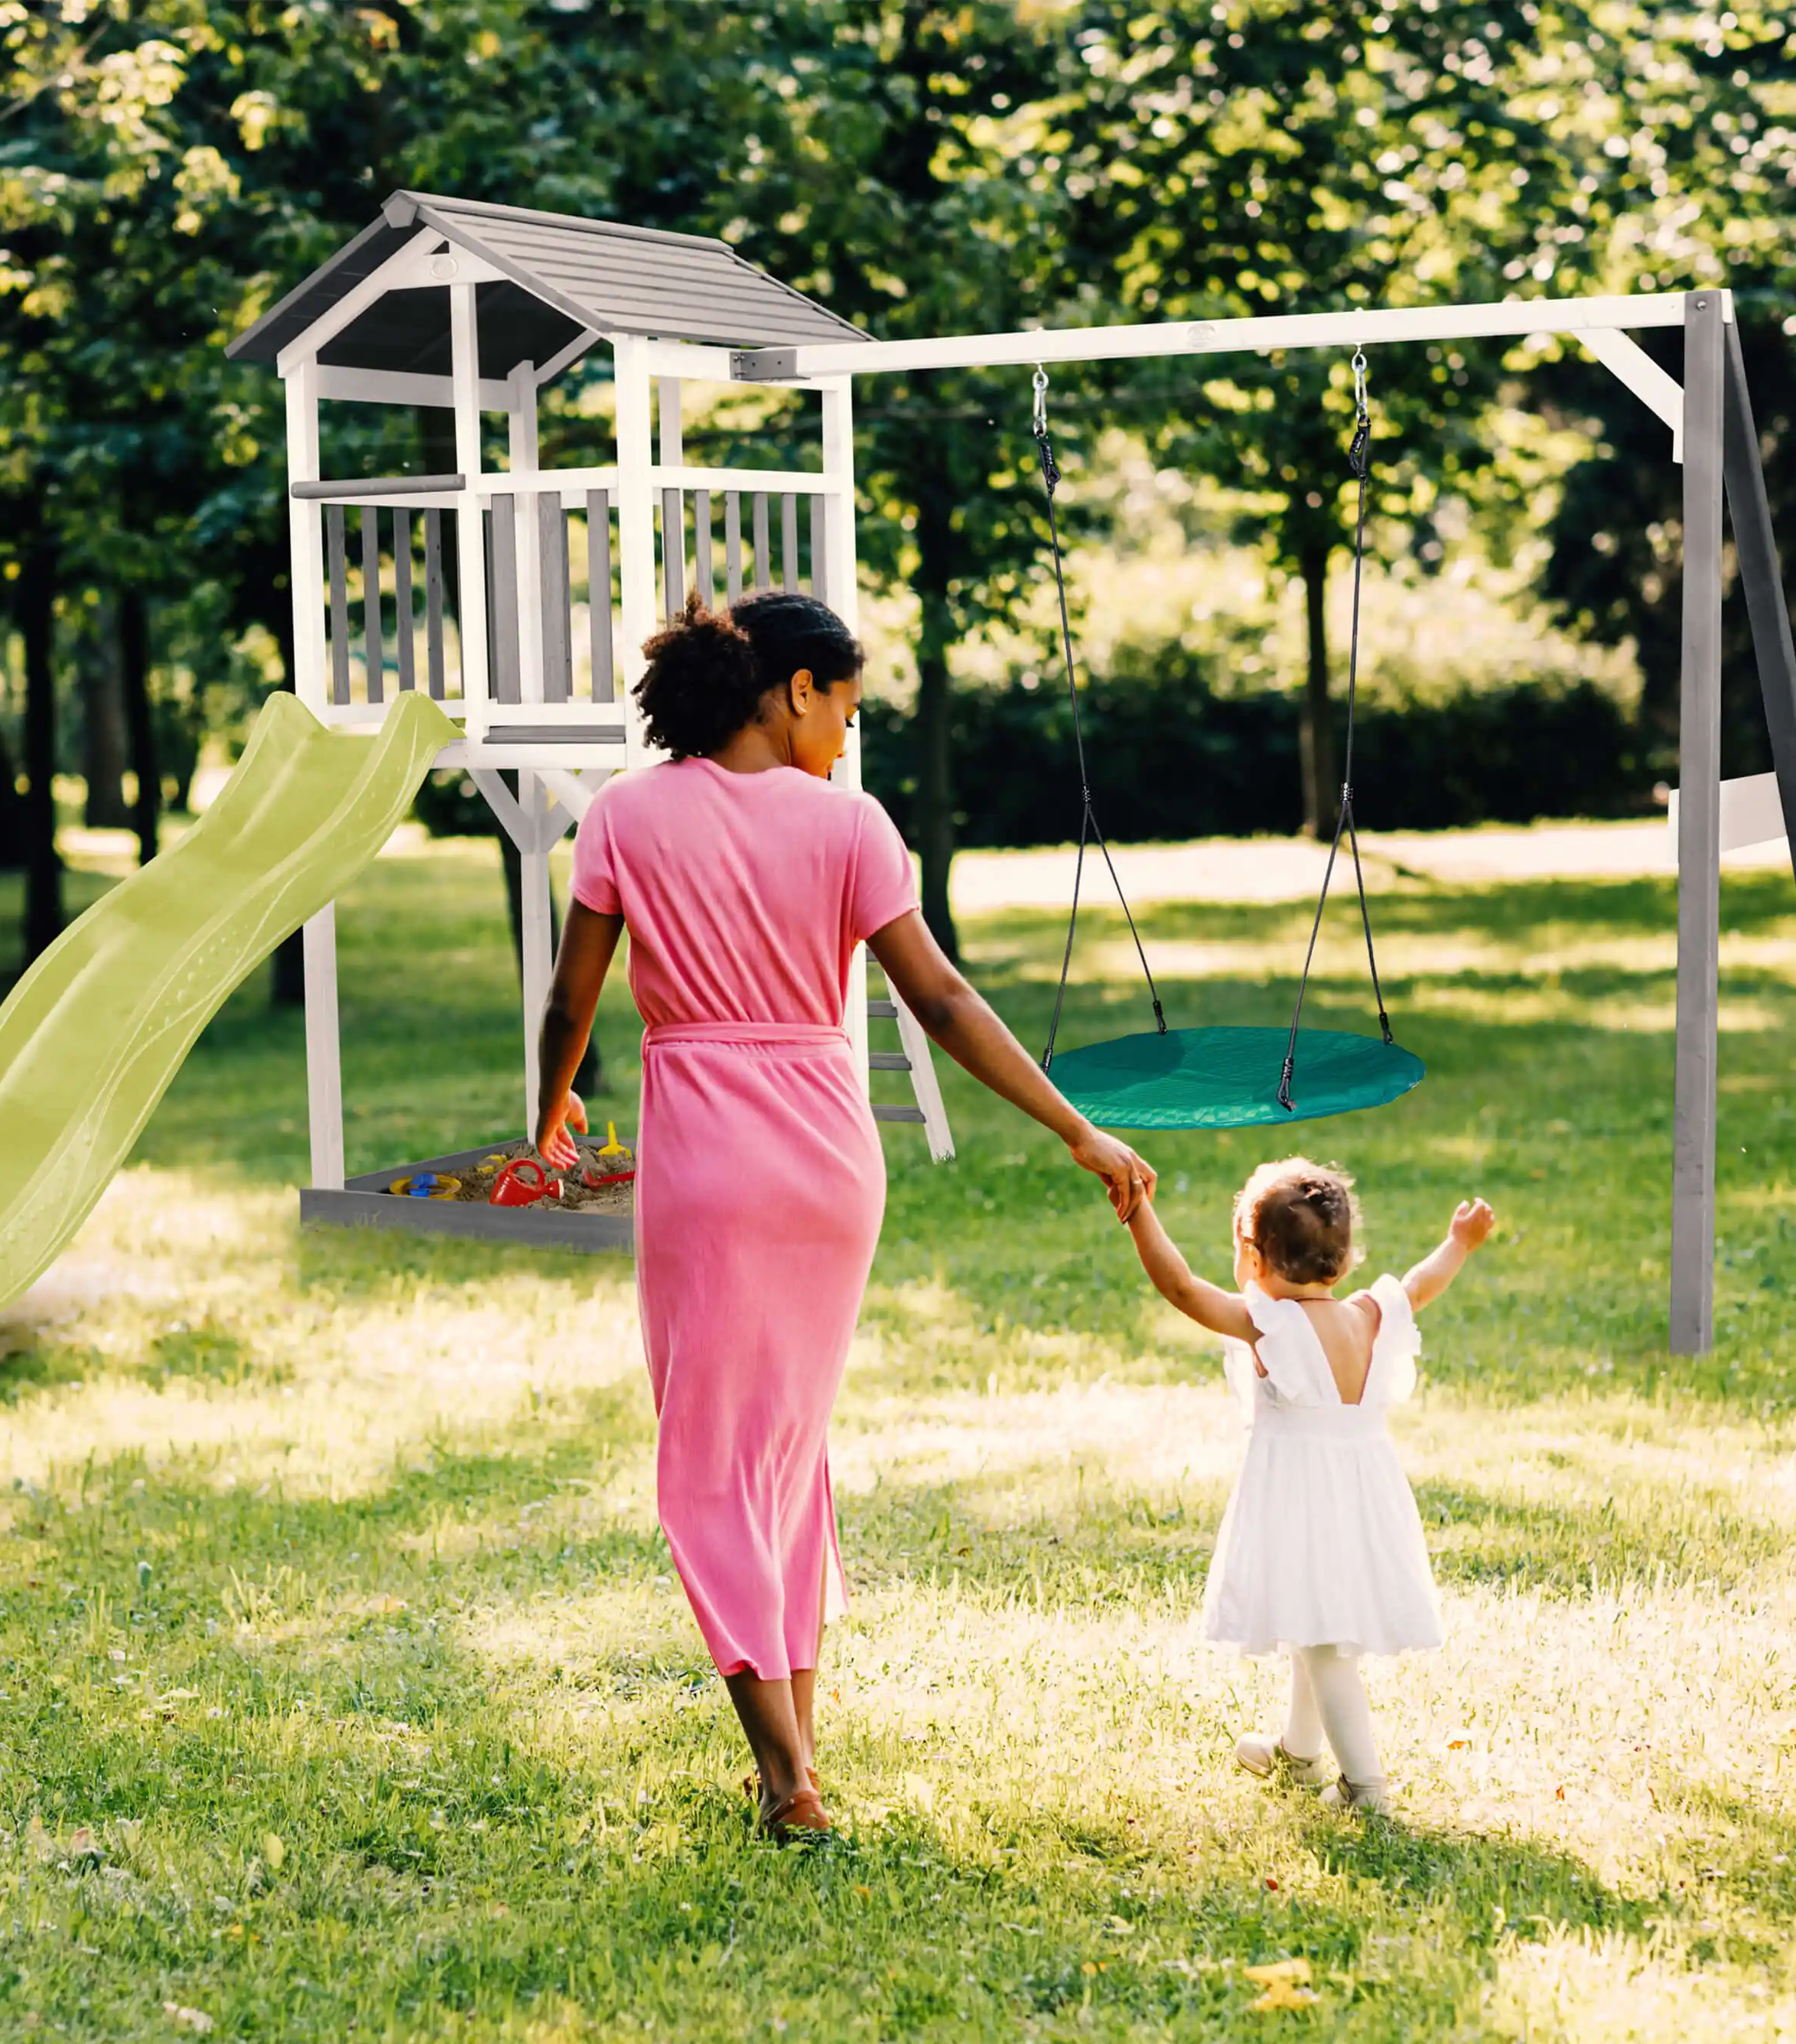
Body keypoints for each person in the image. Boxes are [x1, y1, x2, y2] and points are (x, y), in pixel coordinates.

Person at [534, 591, 1156, 1837]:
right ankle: (797, 1755)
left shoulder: (624, 816)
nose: (848, 737)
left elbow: (572, 999)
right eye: (848, 709)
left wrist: (547, 1113)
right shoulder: (851, 827)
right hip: (828, 1158)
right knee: (784, 1455)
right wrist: (1075, 1126)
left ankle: (786, 1777)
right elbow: (941, 1002)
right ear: (794, 689)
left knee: (711, 1463)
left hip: (707, 1158)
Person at [1121, 1157, 1495, 1815]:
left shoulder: (1270, 1326)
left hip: (1302, 1501)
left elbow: (1180, 1288)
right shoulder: (1370, 1314)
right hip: (1362, 1496)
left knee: (1323, 1643)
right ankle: (1298, 1753)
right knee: (1310, 1618)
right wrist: (1458, 1243)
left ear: (1254, 1258)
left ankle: (1365, 1787)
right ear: (1344, 1260)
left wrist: (1138, 1211)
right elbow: (1421, 1283)